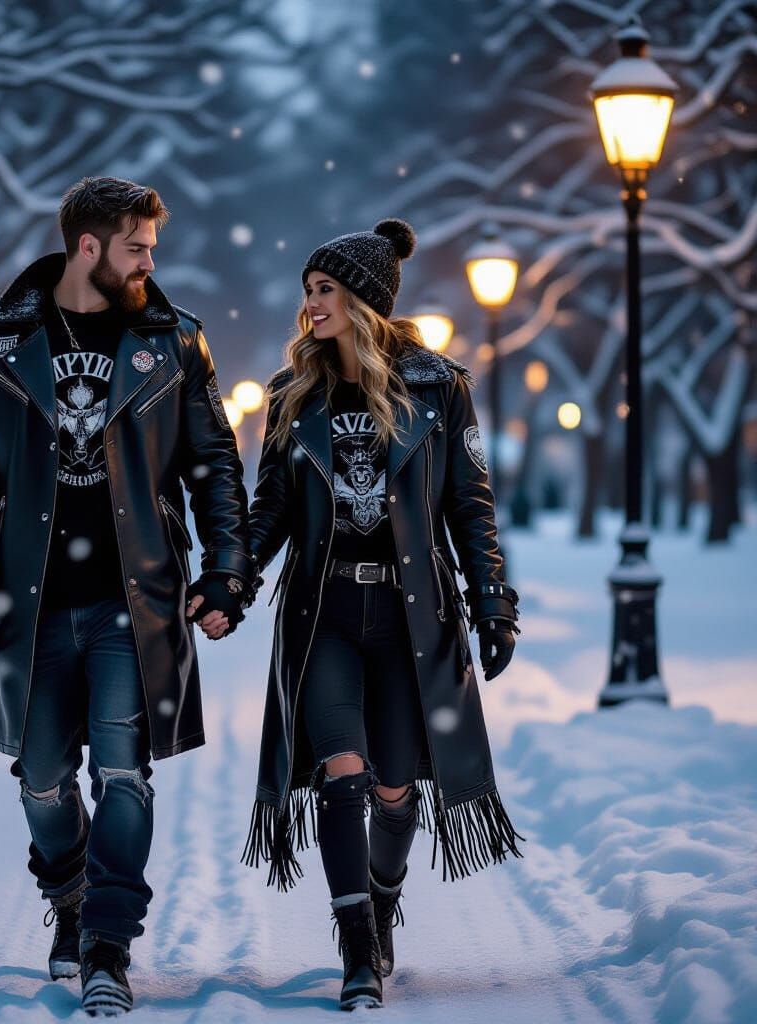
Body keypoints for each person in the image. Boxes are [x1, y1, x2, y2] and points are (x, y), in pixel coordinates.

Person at [0, 176, 253, 1016]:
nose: (150, 261)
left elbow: (214, 462)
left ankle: (108, 942)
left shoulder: (175, 342)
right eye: (137, 246)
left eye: (151, 246)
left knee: (124, 773)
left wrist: (226, 568)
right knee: (40, 778)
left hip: (134, 600)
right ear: (88, 246)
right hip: (29, 599)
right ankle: (67, 896)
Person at [242, 219, 524, 1011]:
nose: (309, 306)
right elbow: (270, 510)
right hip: (324, 610)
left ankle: (383, 900)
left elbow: (471, 506)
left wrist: (492, 599)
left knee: (398, 789)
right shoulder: (292, 393)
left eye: (324, 290)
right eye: (307, 291)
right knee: (344, 774)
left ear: (363, 301)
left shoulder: (439, 388)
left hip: (412, 617)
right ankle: (358, 949)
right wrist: (232, 578)